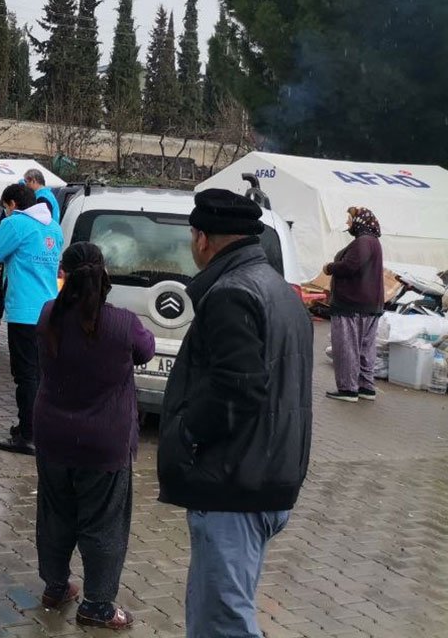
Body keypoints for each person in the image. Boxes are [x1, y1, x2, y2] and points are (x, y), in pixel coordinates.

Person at [157, 189, 312, 638]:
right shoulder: (280, 290)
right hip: (268, 473)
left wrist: (186, 435)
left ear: (203, 239)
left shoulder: (231, 292)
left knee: (221, 624)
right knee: (224, 611)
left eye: (192, 235)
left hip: (234, 483)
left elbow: (239, 387)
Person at [33, 242, 155, 631]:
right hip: (104, 442)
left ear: (64, 276)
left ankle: (55, 587)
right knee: (103, 523)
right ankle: (98, 605)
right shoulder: (122, 323)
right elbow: (146, 350)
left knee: (56, 514)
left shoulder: (50, 314)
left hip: (53, 435)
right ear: (104, 276)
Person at [0, 183, 62, 455]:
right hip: (50, 309)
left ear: (12, 204)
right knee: (42, 373)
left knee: (25, 375)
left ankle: (28, 435)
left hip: (24, 311)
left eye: (5, 207)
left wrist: (4, 227)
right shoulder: (53, 226)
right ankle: (35, 426)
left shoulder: (17, 223)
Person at [324, 206, 384, 402]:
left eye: (350, 219)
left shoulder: (362, 242)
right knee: (365, 348)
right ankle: (365, 387)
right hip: (369, 305)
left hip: (352, 304)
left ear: (360, 221)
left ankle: (348, 389)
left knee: (346, 346)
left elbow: (350, 266)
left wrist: (329, 267)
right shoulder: (373, 241)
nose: (348, 223)